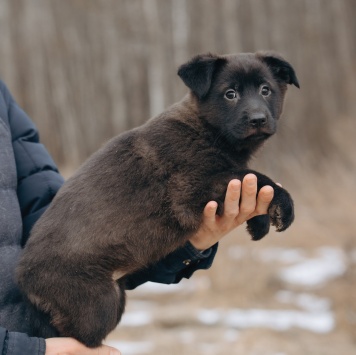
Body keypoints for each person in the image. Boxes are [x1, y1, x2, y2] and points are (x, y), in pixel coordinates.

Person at [0, 80, 274, 355]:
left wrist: (189, 244)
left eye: (265, 91)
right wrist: (22, 350)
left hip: (43, 328)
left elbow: (57, 226)